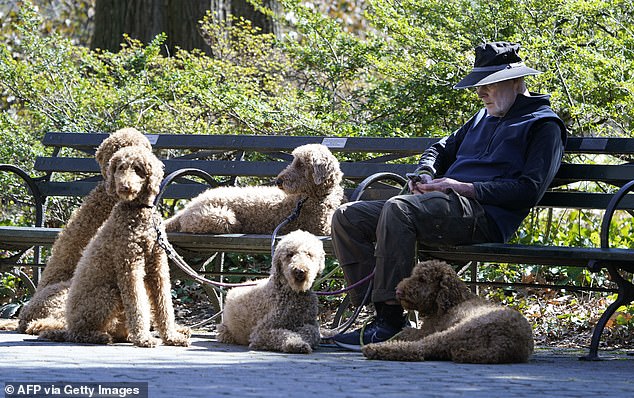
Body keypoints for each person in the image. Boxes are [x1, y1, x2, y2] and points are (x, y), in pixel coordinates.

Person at [330, 41, 567, 351]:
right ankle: (377, 314)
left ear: (514, 80)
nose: (480, 93)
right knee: (348, 216)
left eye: (488, 85)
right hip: (441, 206)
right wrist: (427, 173)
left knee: (399, 209)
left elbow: (529, 190)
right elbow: (439, 148)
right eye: (478, 85)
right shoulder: (482, 117)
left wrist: (461, 187)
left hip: (484, 215)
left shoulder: (544, 125)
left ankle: (390, 323)